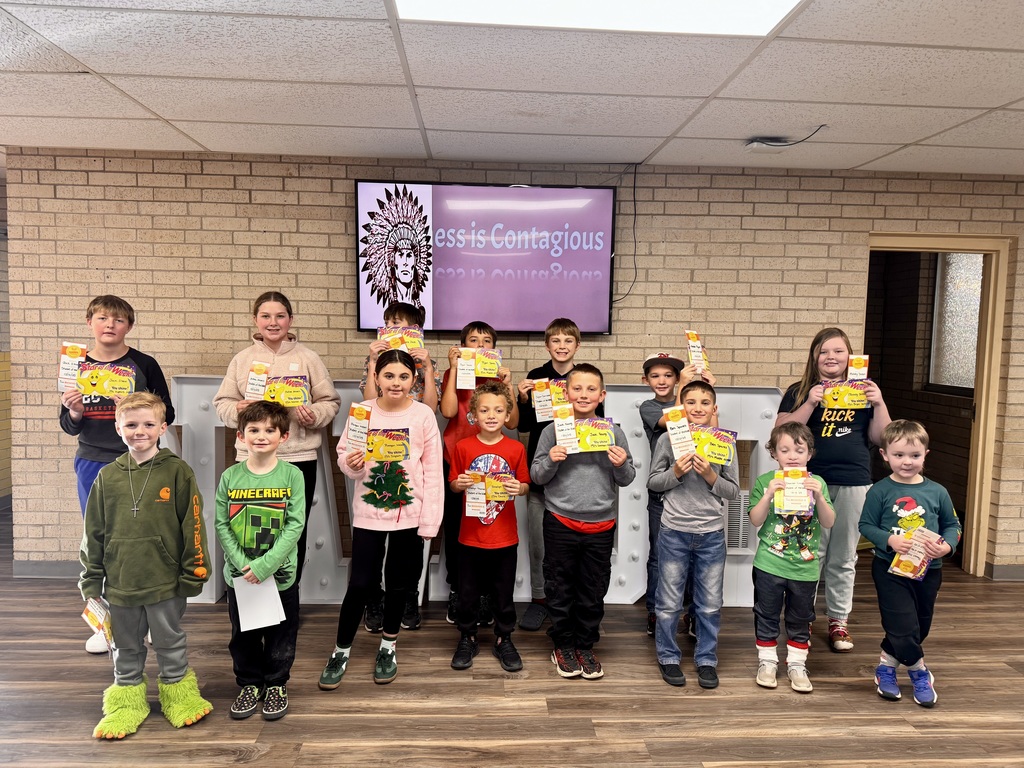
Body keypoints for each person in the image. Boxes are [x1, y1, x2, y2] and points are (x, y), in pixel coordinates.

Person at [79, 393, 211, 739]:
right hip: (120, 582)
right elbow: (92, 531)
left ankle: (179, 696)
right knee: (125, 645)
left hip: (165, 580)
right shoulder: (107, 477)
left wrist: (194, 570)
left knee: (169, 641)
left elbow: (193, 524)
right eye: (132, 424)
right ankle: (126, 704)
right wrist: (91, 580)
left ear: (162, 428)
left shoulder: (178, 471)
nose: (140, 431)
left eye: (149, 424)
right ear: (118, 427)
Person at [319, 350, 443, 689]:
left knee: (399, 584)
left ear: (414, 381)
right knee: (360, 583)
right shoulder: (362, 412)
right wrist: (352, 465)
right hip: (369, 514)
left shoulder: (422, 416)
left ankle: (388, 646)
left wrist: (429, 523)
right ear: (376, 378)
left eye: (404, 377)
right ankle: (341, 649)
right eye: (389, 376)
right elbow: (344, 455)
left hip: (409, 515)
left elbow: (433, 472)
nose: (396, 383)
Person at [61, 295, 176, 654]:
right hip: (93, 461)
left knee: (150, 538)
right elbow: (68, 425)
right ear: (89, 322)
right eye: (102, 317)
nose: (110, 324)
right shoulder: (75, 364)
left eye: (119, 320)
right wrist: (75, 411)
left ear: (129, 326)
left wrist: (139, 408)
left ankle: (155, 619)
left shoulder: (144, 363)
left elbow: (167, 412)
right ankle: (105, 623)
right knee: (100, 543)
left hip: (143, 462)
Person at [775, 327, 891, 652]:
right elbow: (780, 430)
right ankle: (803, 618)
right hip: (810, 481)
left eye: (838, 351)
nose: (831, 357)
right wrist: (811, 401)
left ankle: (839, 620)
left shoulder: (864, 392)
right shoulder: (800, 390)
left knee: (843, 556)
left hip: (856, 480)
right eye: (824, 351)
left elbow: (882, 438)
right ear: (815, 356)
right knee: (811, 553)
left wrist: (879, 402)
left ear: (849, 357)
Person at [214, 291, 340, 587]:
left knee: (293, 530)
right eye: (266, 316)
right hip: (250, 460)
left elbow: (330, 402)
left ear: (291, 320)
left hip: (297, 459)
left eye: (280, 316)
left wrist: (315, 415)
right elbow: (223, 404)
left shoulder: (308, 358)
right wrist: (238, 410)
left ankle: (287, 594)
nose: (273, 322)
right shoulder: (242, 360)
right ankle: (249, 594)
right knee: (246, 529)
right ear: (255, 320)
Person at [531, 363, 635, 680]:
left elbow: (628, 477)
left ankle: (585, 646)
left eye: (591, 389)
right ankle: (562, 645)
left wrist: (619, 465)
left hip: (601, 525)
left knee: (592, 591)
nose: (584, 394)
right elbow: (536, 475)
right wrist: (551, 460)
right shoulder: (552, 430)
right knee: (559, 589)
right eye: (577, 388)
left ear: (601, 395)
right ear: (565, 393)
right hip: (560, 520)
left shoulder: (612, 431)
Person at [859, 420, 961, 707]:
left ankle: (886, 666)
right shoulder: (879, 491)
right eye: (899, 455)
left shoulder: (937, 491)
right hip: (889, 570)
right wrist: (889, 541)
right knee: (902, 624)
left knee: (920, 626)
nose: (906, 462)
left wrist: (947, 546)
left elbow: (953, 525)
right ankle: (919, 672)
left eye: (914, 456)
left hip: (929, 571)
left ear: (926, 455)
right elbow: (866, 525)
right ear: (884, 455)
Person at [215, 401, 306, 721]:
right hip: (241, 575)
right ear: (241, 436)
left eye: (270, 430)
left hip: (279, 573)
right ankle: (249, 684)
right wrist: (242, 564)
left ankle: (277, 683)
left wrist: (266, 565)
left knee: (282, 633)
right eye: (254, 430)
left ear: (284, 436)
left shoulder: (293, 475)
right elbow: (221, 524)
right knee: (244, 633)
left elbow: (296, 524)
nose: (261, 436)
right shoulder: (230, 477)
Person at [648, 380, 739, 688]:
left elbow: (733, 491)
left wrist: (710, 474)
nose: (697, 408)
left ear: (713, 409)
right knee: (669, 601)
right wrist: (676, 472)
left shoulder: (724, 442)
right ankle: (668, 656)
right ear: (681, 408)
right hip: (674, 531)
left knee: (710, 603)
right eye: (691, 402)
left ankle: (706, 659)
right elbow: (653, 483)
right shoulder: (666, 441)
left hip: (711, 535)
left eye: (704, 403)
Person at [359, 301, 442, 631]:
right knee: (374, 541)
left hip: (414, 459)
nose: (394, 329)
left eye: (402, 324)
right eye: (390, 322)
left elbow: (431, 409)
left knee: (409, 542)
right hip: (379, 461)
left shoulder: (423, 361)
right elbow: (367, 401)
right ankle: (374, 600)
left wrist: (429, 370)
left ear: (416, 330)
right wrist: (370, 362)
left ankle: (409, 595)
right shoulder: (376, 361)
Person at [515, 318, 598, 632]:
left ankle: (570, 602)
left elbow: (598, 425)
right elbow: (523, 427)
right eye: (556, 341)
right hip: (541, 466)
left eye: (568, 341)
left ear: (577, 345)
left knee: (575, 547)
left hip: (578, 471)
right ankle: (540, 601)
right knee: (538, 541)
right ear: (547, 345)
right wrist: (523, 399)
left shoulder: (586, 378)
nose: (562, 346)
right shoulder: (536, 378)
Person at [440, 321, 519, 625]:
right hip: (458, 460)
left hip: (493, 464)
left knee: (489, 524)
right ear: (462, 346)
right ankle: (458, 589)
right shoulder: (454, 373)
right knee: (456, 526)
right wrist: (453, 371)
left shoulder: (498, 379)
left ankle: (485, 594)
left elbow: (511, 424)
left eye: (486, 341)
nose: (480, 345)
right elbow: (447, 412)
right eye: (473, 340)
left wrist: (508, 386)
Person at [448, 380, 531, 672]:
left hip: (504, 536)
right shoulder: (462, 446)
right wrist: (459, 483)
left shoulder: (516, 447)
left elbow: (524, 484)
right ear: (474, 415)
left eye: (498, 410)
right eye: (484, 410)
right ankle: (467, 636)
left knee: (502, 592)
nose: (492, 415)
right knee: (467, 591)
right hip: (470, 537)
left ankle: (503, 638)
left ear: (508, 414)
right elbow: (454, 483)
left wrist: (517, 487)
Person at [748, 422, 836, 693]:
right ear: (774, 453)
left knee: (800, 617)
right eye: (784, 449)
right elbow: (754, 519)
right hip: (769, 563)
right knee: (766, 613)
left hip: (805, 567)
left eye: (799, 449)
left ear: (810, 453)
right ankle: (767, 661)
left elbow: (829, 522)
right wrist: (769, 494)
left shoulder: (817, 482)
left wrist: (819, 496)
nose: (792, 456)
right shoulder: (766, 481)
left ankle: (797, 664)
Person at [638, 351, 717, 637]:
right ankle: (655, 613)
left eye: (669, 375)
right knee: (660, 557)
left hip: (697, 497)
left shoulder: (696, 403)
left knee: (695, 559)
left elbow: (715, 439)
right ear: (646, 380)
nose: (663, 380)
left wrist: (708, 391)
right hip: (664, 494)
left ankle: (691, 615)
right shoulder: (649, 407)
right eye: (656, 375)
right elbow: (675, 423)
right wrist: (684, 388)